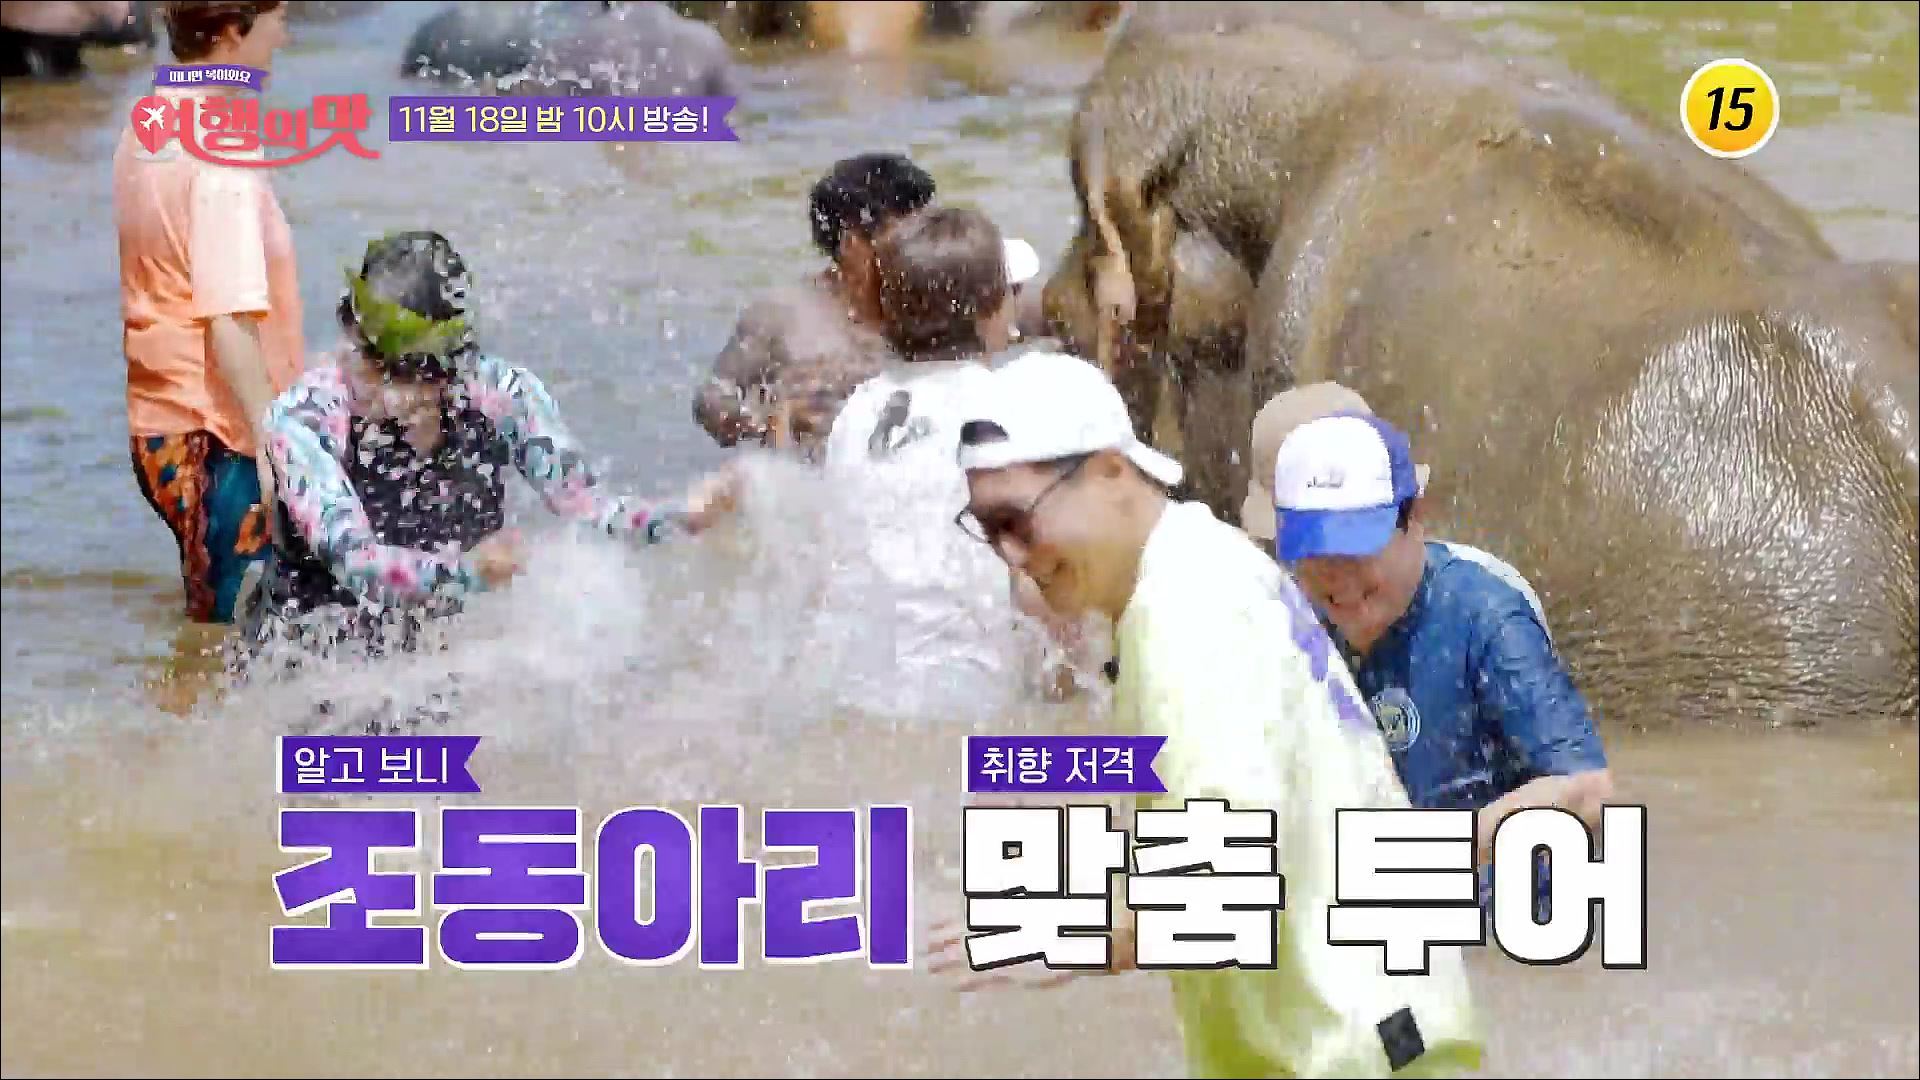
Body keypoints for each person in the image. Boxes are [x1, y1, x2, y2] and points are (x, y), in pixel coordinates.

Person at [931, 350, 1485, 1079]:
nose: (1009, 554)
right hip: (1368, 1037)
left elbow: (1230, 881)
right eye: (986, 526)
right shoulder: (1195, 563)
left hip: (1346, 1054)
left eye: (1017, 520)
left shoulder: (1186, 613)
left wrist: (1063, 927)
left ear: (1110, 473)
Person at [234, 230, 736, 688]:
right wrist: (469, 573)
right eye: (374, 367)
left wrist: (679, 517)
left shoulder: (500, 394)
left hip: (426, 661)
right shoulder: (305, 418)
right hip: (308, 668)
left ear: (451, 367)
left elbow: (589, 508)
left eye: (412, 377)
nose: (390, 395)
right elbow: (356, 562)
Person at [1260, 397, 1614, 919]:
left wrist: (1426, 859)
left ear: (1417, 518)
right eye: (1316, 552)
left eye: (1356, 549)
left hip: (1499, 926)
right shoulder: (1290, 622)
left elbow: (1588, 792)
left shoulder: (1484, 618)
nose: (1338, 577)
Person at [811, 205, 1055, 715]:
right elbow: (1042, 581)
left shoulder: (857, 412)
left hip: (846, 683)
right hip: (967, 692)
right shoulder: (1014, 406)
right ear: (992, 312)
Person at [115, 0, 300, 625]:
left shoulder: (148, 121)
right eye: (276, 21)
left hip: (160, 428)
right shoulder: (222, 151)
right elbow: (228, 316)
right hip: (219, 434)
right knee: (243, 639)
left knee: (211, 628)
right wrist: (272, 444)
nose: (284, 37)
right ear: (230, 33)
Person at [692, 152, 936, 449]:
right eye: (909, 240)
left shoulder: (934, 308)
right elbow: (712, 401)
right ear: (852, 242)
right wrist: (769, 418)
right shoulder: (783, 313)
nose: (926, 251)